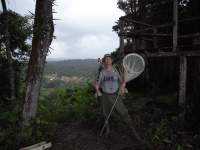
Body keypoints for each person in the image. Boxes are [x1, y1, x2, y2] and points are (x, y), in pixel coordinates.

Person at [94, 54, 142, 142]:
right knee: (105, 114)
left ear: (112, 60)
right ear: (104, 61)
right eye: (106, 59)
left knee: (123, 112)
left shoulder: (117, 70)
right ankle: (108, 131)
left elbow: (122, 80)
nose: (107, 60)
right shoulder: (100, 71)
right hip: (104, 96)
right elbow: (96, 81)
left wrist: (123, 85)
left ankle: (133, 133)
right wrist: (96, 86)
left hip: (116, 95)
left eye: (109, 59)